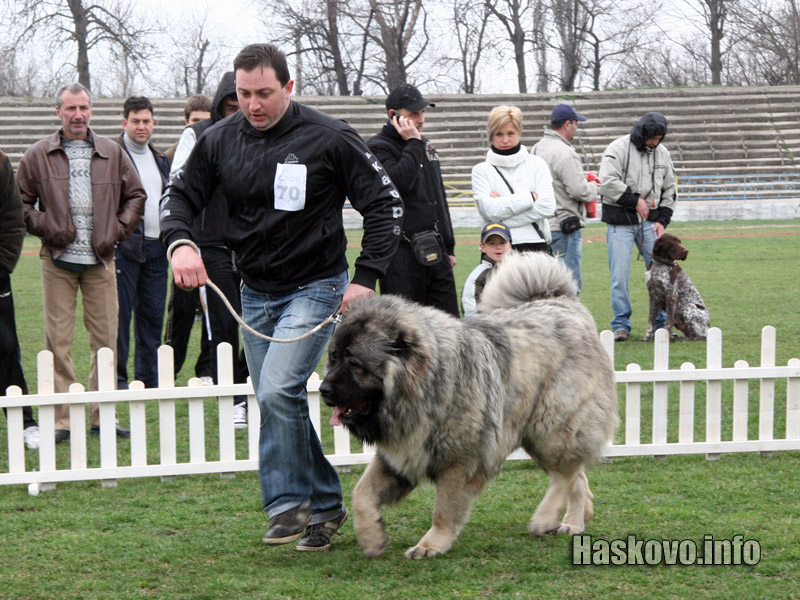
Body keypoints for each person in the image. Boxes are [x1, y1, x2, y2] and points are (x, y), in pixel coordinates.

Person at [160, 43, 402, 551]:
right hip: (256, 291)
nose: (253, 104)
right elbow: (179, 195)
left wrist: (365, 277)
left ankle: (288, 503)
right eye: (244, 93)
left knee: (274, 390)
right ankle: (328, 505)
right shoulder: (218, 139)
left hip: (318, 285)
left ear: (288, 88)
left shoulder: (330, 136)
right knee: (277, 397)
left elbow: (384, 204)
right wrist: (181, 242)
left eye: (265, 93)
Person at [16, 83, 145, 443]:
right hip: (57, 259)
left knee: (105, 341)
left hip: (101, 259)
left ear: (91, 111)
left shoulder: (111, 152)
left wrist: (116, 230)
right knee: (57, 342)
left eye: (84, 108)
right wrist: (48, 227)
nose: (78, 115)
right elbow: (20, 205)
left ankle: (102, 415)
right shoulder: (37, 155)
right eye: (71, 108)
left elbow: (136, 195)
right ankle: (63, 420)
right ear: (58, 112)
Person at [163, 72, 250, 427]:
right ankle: (234, 397)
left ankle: (246, 384)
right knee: (223, 325)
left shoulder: (261, 136)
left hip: (254, 244)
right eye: (231, 105)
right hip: (211, 243)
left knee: (261, 320)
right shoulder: (196, 135)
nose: (238, 112)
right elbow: (177, 186)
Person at [366, 83, 459, 317]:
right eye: (414, 114)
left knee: (452, 327)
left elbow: (438, 197)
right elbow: (399, 184)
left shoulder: (425, 145)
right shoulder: (377, 147)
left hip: (434, 249)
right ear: (393, 115)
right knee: (407, 329)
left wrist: (449, 246)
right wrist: (413, 144)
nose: (421, 120)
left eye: (423, 112)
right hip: (400, 254)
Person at [598, 111, 676, 341]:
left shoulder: (663, 154)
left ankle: (662, 324)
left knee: (661, 274)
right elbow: (607, 182)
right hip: (619, 223)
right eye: (652, 138)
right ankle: (621, 324)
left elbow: (670, 188)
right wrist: (634, 200)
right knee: (619, 276)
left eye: (659, 138)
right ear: (642, 134)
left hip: (650, 224)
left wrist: (663, 220)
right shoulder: (617, 149)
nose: (655, 142)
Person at [115, 96, 171, 390]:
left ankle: (148, 379)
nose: (141, 126)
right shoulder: (112, 154)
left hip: (156, 249)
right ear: (124, 122)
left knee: (151, 318)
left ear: (153, 123)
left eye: (146, 121)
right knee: (121, 319)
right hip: (124, 249)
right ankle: (119, 380)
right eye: (135, 121)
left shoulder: (160, 158)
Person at [532, 104, 598, 293]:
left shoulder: (537, 148)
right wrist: (593, 187)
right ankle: (570, 322)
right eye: (576, 123)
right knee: (569, 285)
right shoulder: (565, 152)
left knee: (547, 285)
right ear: (568, 124)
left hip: (542, 224)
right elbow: (579, 191)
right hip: (565, 224)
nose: (577, 128)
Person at [471, 105, 556, 253]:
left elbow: (547, 206)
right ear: (491, 135)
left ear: (519, 132)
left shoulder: (537, 164)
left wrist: (501, 218)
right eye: (499, 134)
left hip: (536, 244)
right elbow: (489, 210)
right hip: (498, 250)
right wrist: (528, 198)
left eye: (510, 133)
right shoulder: (481, 170)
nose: (505, 140)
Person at [1, 147, 39, 450]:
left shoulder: (0, 160)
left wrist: (2, 267)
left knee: (6, 348)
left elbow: (12, 219)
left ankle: (25, 423)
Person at [461, 221, 513, 317]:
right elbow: (470, 307)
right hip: (487, 327)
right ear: (483, 247)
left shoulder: (518, 271)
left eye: (502, 243)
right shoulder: (478, 275)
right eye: (492, 243)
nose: (498, 247)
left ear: (510, 245)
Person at [163, 94, 212, 164]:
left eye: (205, 121)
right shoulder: (171, 155)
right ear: (186, 121)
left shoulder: (218, 151)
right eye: (196, 120)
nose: (200, 126)